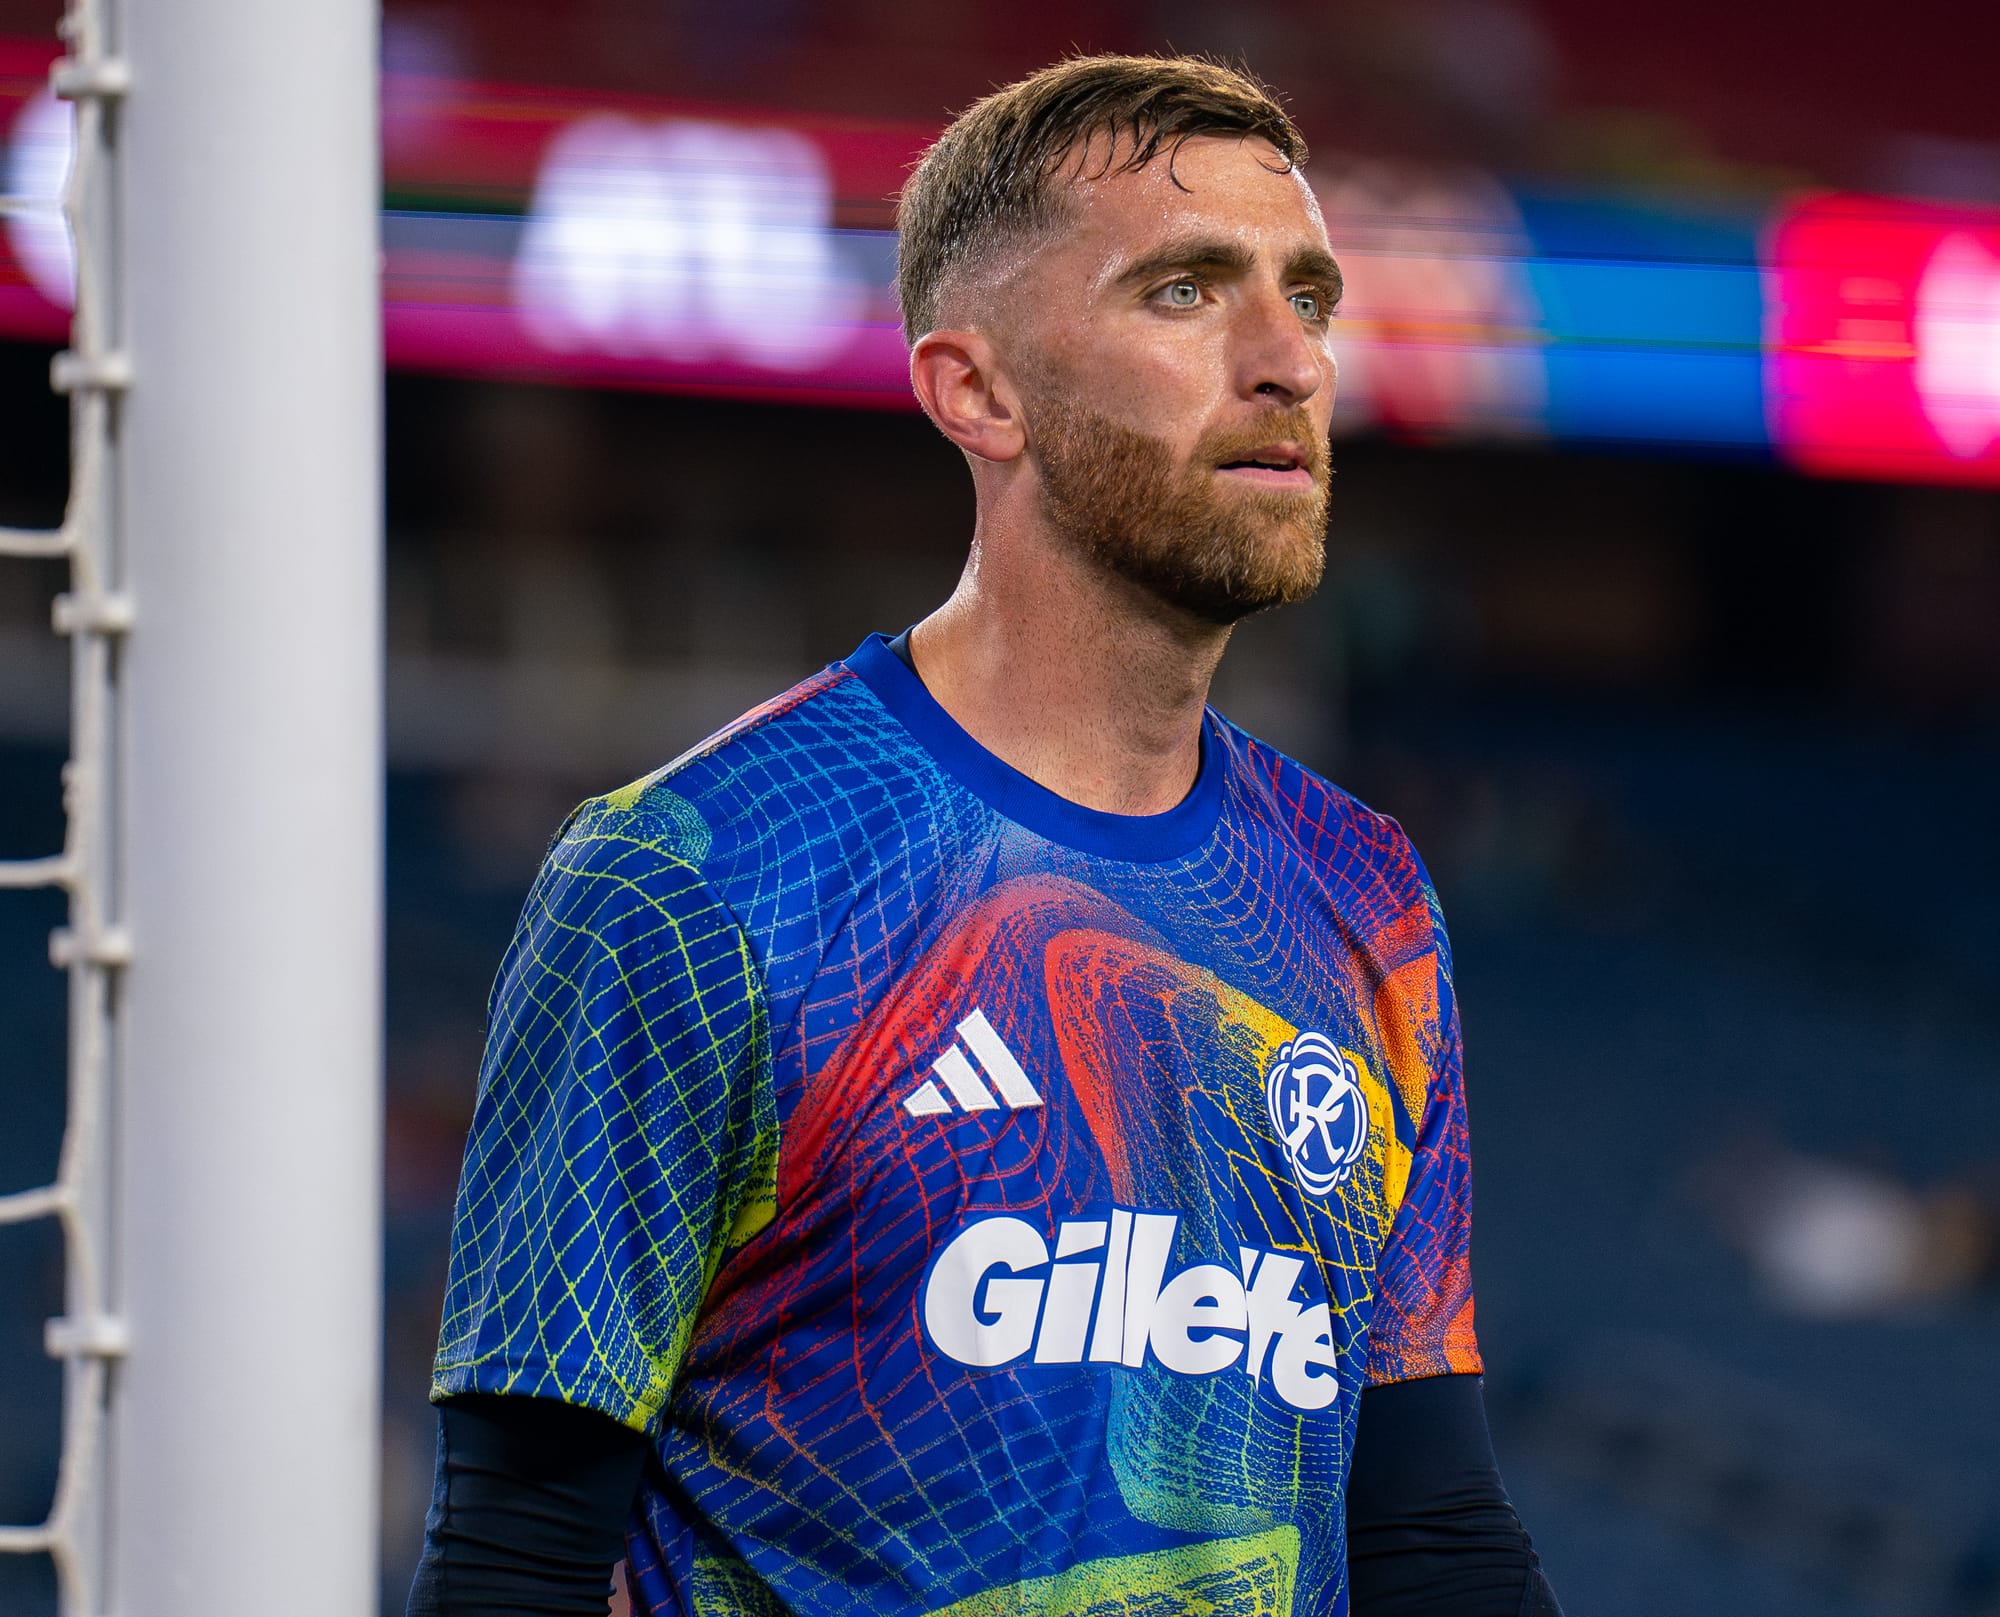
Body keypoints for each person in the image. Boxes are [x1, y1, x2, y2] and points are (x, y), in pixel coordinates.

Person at [409, 52, 1561, 1617]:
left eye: (1309, 297)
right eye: (1184, 292)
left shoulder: (1366, 892)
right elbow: (516, 1550)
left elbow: (1429, 1526)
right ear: (978, 391)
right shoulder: (693, 872)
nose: (1287, 359)